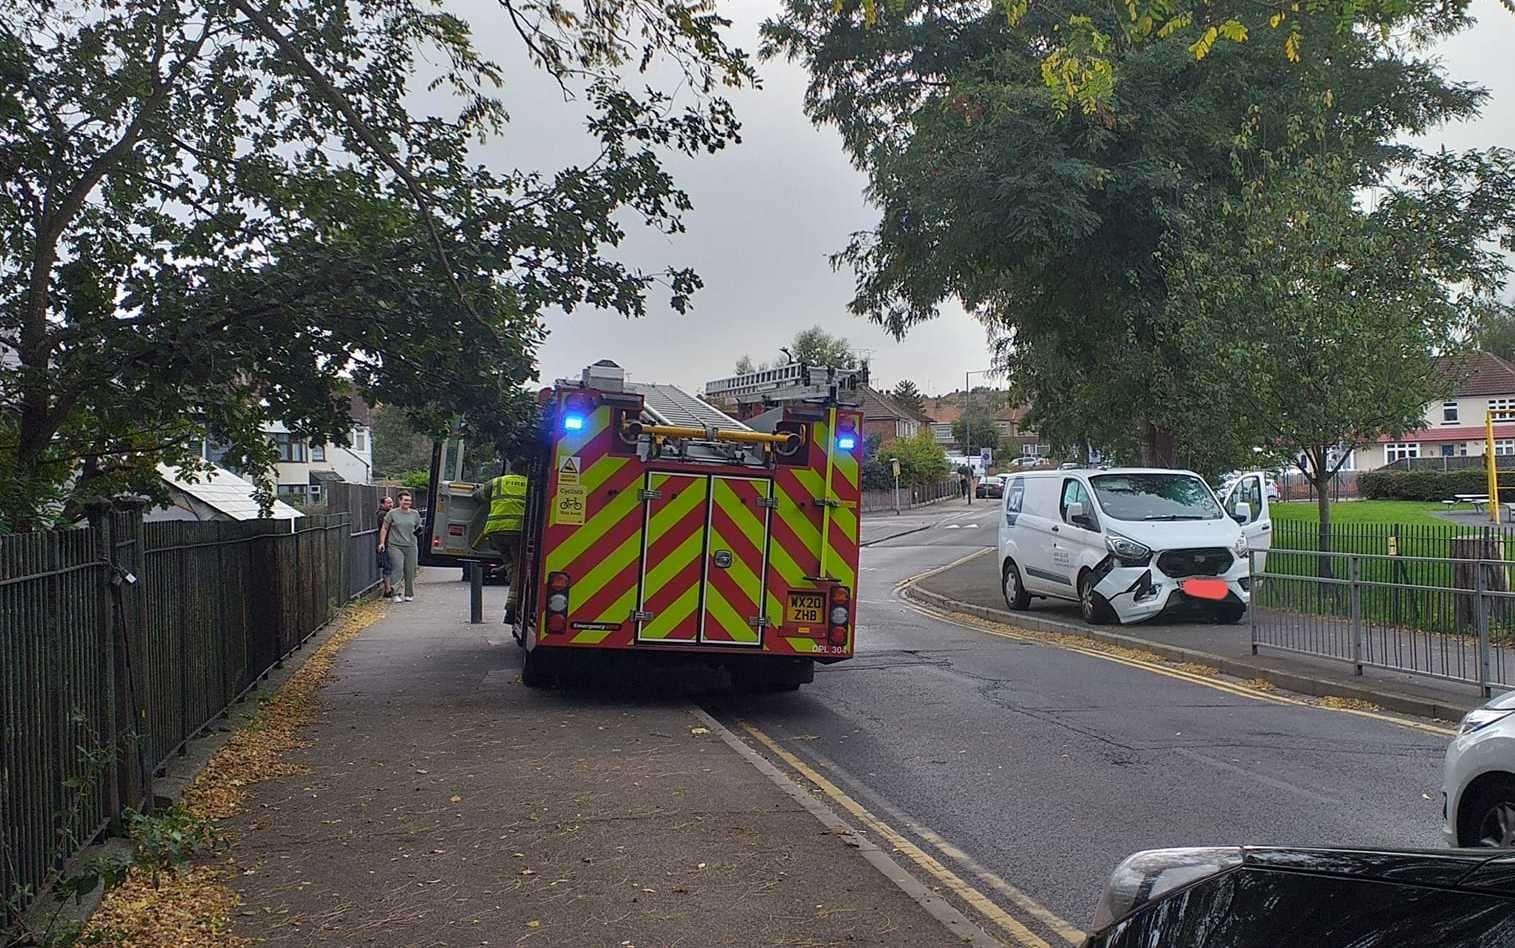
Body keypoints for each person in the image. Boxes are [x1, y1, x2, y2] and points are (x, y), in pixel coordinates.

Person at [378, 491, 421, 602]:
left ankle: (409, 593)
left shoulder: (415, 514)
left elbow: (418, 527)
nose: (408, 502)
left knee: (410, 569)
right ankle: (395, 593)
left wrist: (419, 532)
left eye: (409, 500)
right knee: (398, 567)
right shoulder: (392, 513)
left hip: (411, 545)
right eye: (405, 500)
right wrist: (382, 543)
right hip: (395, 545)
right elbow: (384, 528)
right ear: (400, 501)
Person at [375, 495, 396, 597]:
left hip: (391, 543)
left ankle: (390, 588)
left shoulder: (389, 514)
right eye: (388, 503)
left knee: (391, 566)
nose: (391, 504)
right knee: (387, 567)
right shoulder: (382, 514)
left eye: (391, 502)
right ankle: (387, 590)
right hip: (386, 543)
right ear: (383, 504)